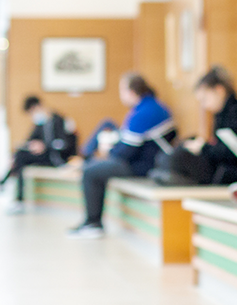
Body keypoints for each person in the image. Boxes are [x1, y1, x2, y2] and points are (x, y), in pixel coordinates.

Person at [66, 73, 175, 238]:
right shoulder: (149, 105)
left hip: (143, 166)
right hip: (141, 157)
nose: (121, 95)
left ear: (131, 92)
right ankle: (85, 157)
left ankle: (93, 223)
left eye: (122, 91)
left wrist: (108, 153)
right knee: (107, 124)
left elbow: (126, 153)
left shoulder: (144, 112)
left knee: (90, 171)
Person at [166, 66, 237, 185]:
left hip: (233, 170)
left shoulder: (236, 114)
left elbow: (231, 153)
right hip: (223, 165)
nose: (205, 105)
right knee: (181, 148)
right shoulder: (222, 113)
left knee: (179, 157)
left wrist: (203, 148)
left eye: (205, 99)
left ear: (219, 90)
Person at [0, 96, 77, 210]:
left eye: (32, 111)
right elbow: (30, 141)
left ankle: (5, 187)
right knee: (20, 155)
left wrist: (45, 146)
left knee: (20, 158)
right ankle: (10, 191)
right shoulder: (40, 124)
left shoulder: (58, 120)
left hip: (55, 158)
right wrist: (28, 146)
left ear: (37, 107)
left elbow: (65, 144)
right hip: (44, 156)